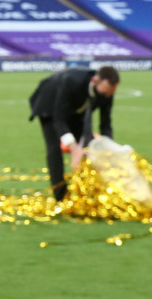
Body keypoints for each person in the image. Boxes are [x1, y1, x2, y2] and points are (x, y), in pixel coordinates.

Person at [29, 65, 120, 201]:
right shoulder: (72, 82)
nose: (106, 97)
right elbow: (59, 119)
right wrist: (73, 147)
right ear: (95, 81)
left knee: (84, 146)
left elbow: (105, 123)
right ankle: (60, 195)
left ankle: (82, 190)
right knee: (54, 147)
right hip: (49, 104)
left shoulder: (107, 92)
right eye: (103, 93)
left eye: (110, 94)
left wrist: (109, 147)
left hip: (76, 109)